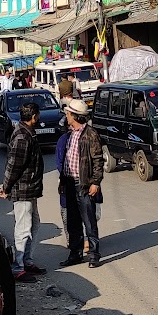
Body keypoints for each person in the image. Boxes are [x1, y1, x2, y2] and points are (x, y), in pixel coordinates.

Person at [0, 102, 46, 280]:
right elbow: (13, 166)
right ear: (34, 117)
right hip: (23, 190)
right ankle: (18, 268)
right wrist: (6, 187)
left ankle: (27, 261)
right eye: (38, 115)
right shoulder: (22, 137)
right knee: (23, 228)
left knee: (34, 225)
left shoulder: (27, 133)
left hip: (30, 189)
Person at [56, 98, 105, 268]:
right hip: (69, 183)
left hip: (84, 184)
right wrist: (62, 180)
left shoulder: (90, 134)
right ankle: (75, 254)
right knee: (73, 222)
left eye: (68, 113)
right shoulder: (70, 134)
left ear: (75, 116)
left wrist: (95, 182)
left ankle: (93, 255)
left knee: (89, 221)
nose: (66, 116)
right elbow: (66, 160)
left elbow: (98, 161)